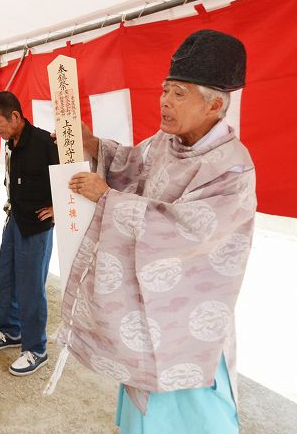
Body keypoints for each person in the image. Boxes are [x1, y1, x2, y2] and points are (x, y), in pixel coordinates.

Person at [58, 30, 255, 433]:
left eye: (179, 94)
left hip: (187, 317)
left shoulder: (232, 168)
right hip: (149, 312)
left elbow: (190, 230)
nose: (164, 101)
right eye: (165, 90)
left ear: (215, 104)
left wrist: (109, 199)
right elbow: (132, 164)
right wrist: (95, 145)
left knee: (194, 416)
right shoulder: (166, 142)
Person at [0, 91, 59, 376]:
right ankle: (9, 331)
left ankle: (36, 349)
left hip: (37, 226)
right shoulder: (10, 143)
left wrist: (57, 207)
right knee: (5, 279)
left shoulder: (44, 142)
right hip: (15, 218)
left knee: (30, 288)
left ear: (15, 116)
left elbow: (72, 175)